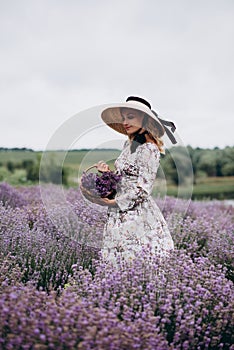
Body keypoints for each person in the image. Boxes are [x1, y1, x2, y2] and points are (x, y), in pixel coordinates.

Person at [93, 96, 177, 263]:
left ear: (145, 120)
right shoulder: (128, 145)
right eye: (124, 117)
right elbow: (123, 178)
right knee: (117, 263)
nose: (125, 121)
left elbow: (142, 190)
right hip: (118, 212)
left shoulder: (149, 149)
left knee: (137, 261)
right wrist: (107, 173)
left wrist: (113, 203)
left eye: (130, 117)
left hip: (136, 214)